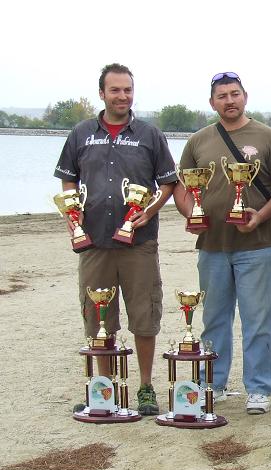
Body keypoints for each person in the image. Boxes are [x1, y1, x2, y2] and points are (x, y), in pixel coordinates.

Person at [54, 63, 177, 415]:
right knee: (98, 315)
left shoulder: (150, 135)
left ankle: (145, 388)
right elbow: (68, 179)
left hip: (138, 243)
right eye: (115, 90)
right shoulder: (80, 133)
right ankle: (104, 388)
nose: (122, 96)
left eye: (128, 90)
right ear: (102, 93)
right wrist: (72, 215)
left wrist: (149, 212)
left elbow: (169, 182)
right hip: (93, 242)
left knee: (144, 314)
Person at [173, 71, 271, 415]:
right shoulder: (198, 141)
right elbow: (181, 188)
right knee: (215, 318)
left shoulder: (267, 138)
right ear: (212, 103)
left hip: (257, 244)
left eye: (234, 94)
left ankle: (258, 388)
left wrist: (260, 216)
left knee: (258, 318)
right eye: (222, 96)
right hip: (211, 245)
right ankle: (215, 383)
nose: (229, 101)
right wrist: (191, 215)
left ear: (245, 96)